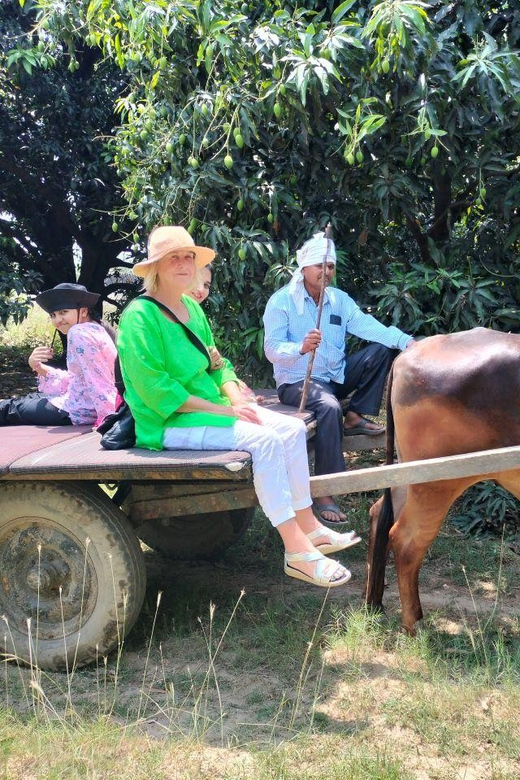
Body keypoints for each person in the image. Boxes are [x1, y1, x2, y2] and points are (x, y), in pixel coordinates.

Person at [117, 225, 361, 588]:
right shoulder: (139, 316)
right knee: (264, 441)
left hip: (212, 408)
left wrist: (235, 398)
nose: (183, 264)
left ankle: (309, 526)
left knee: (292, 428)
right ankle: (296, 552)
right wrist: (226, 411)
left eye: (188, 257)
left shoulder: (190, 308)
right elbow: (156, 391)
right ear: (155, 267)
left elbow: (218, 365)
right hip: (168, 422)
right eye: (173, 258)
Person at [263, 232, 414, 525]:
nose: (326, 271)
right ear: (304, 268)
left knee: (382, 350)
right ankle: (325, 492)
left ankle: (355, 415)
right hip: (297, 382)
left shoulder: (338, 300)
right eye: (320, 265)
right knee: (329, 407)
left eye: (330, 266)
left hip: (334, 376)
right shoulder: (282, 301)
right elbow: (272, 349)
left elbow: (369, 327)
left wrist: (407, 342)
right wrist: (300, 348)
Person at [0, 283, 118, 427]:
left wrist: (108, 419)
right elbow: (79, 379)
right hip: (83, 404)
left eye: (63, 312)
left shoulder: (78, 332)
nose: (57, 320)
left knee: (9, 408)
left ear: (83, 311)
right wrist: (37, 366)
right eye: (53, 315)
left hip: (79, 411)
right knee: (29, 398)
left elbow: (97, 380)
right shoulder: (97, 329)